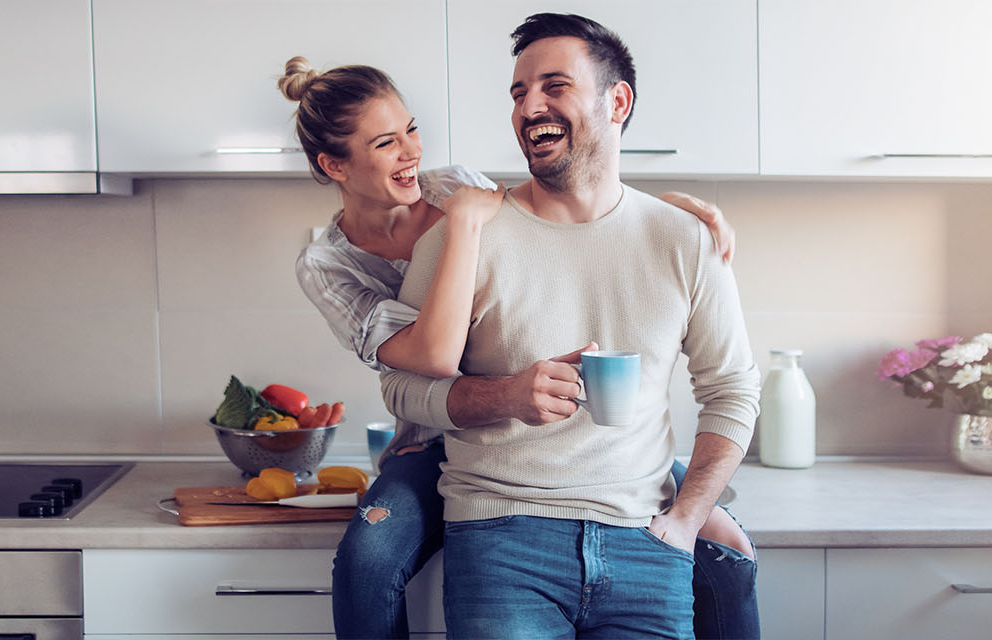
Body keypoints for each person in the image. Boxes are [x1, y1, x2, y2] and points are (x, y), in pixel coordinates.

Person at [279, 58, 758, 639]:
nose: (411, 152)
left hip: (577, 454)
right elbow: (428, 360)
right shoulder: (330, 264)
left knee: (729, 545)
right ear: (335, 165)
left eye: (411, 130)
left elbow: (569, 195)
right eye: (385, 143)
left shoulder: (454, 185)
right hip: (438, 437)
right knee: (368, 559)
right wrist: (464, 229)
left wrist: (672, 215)